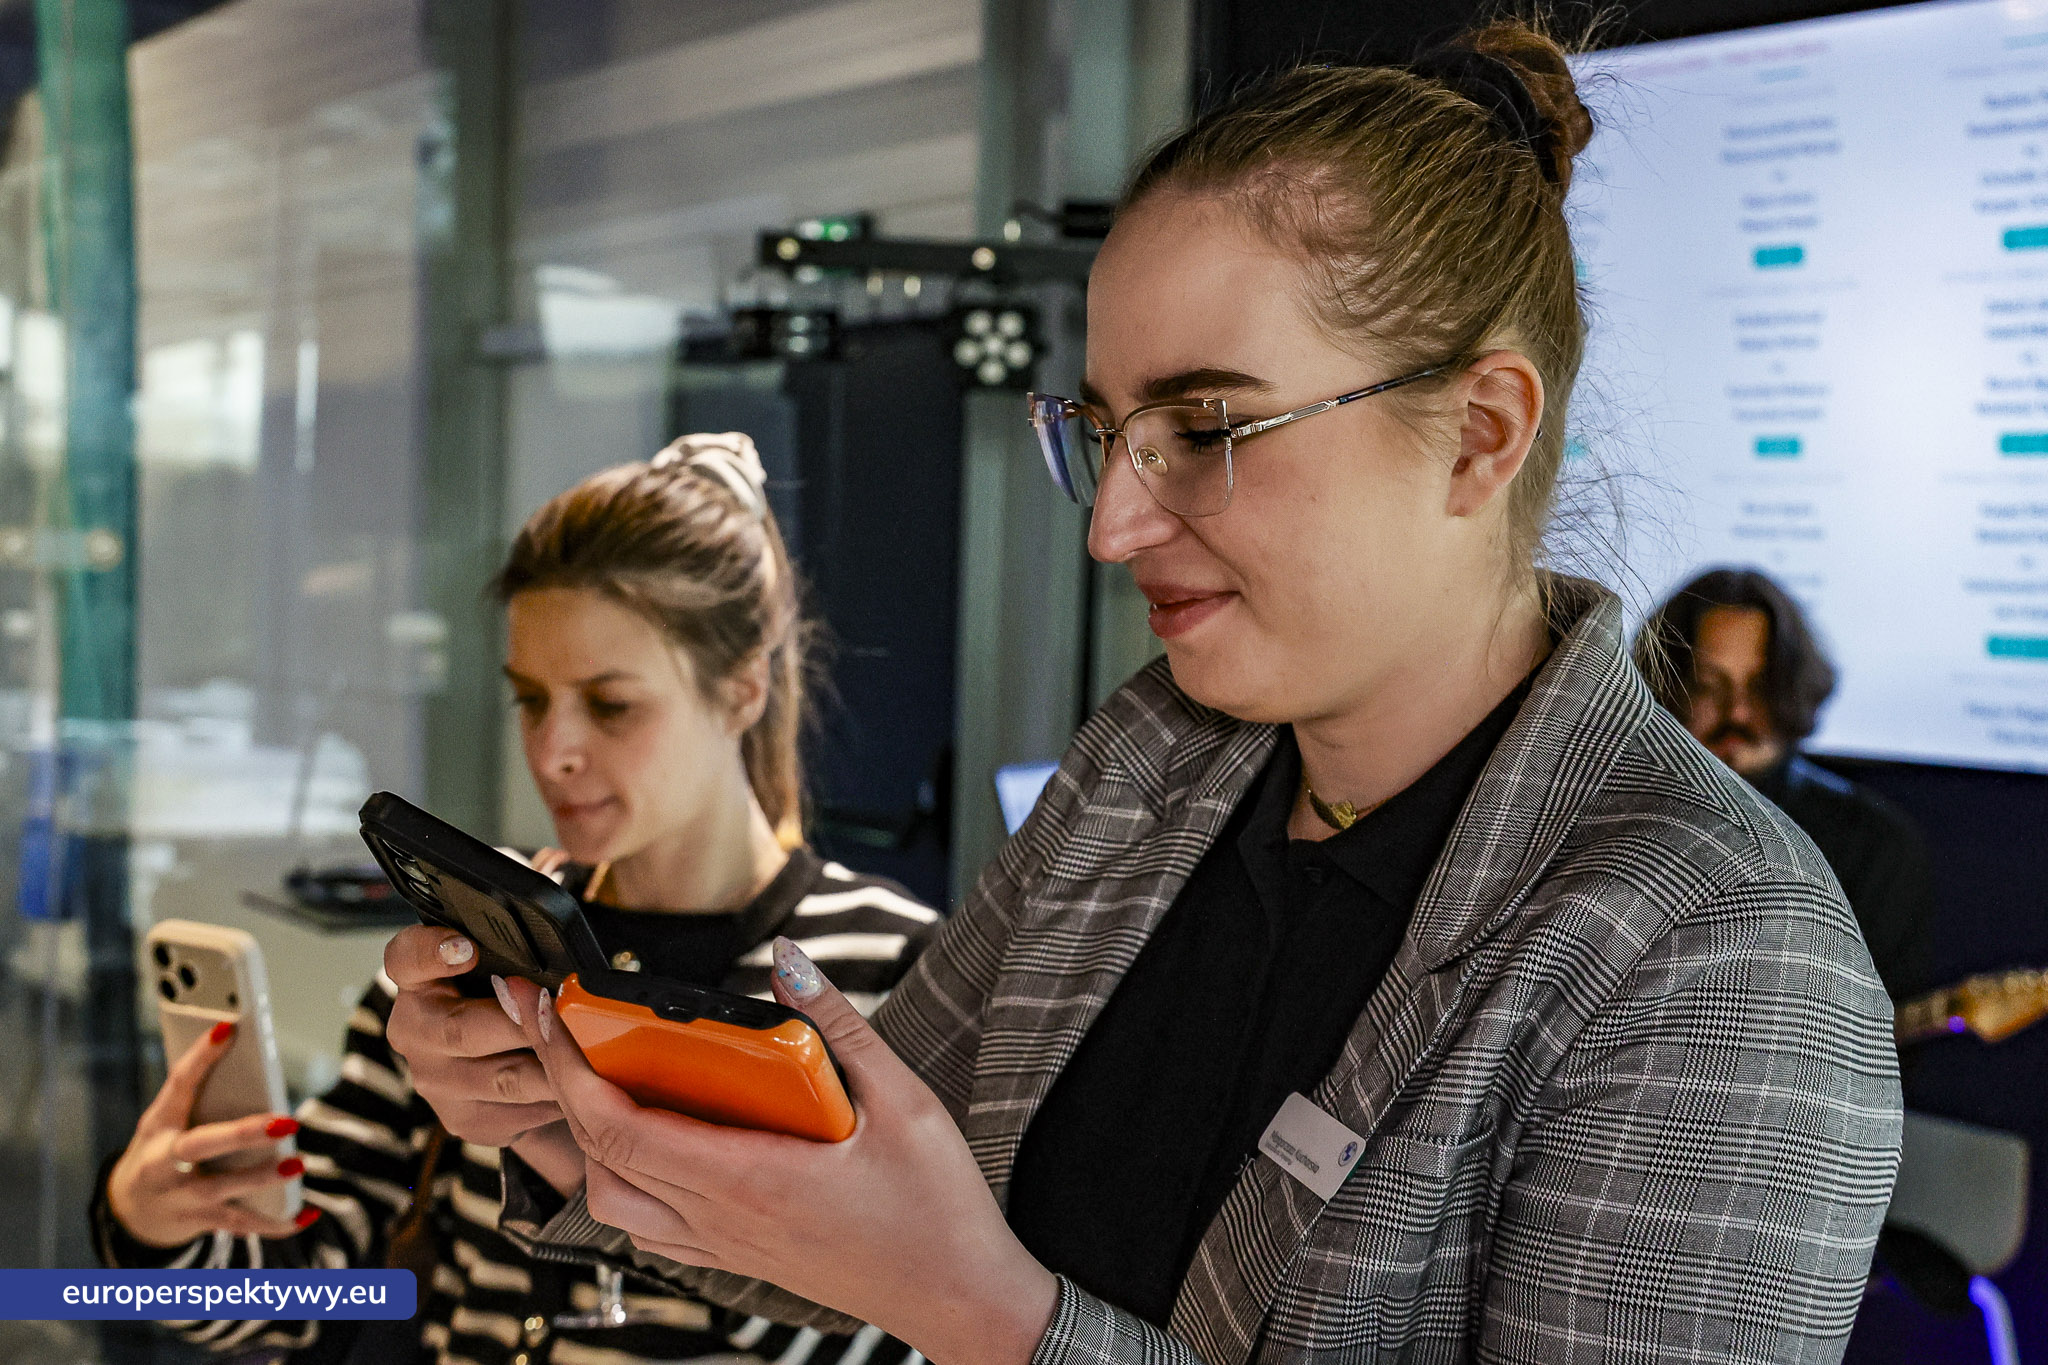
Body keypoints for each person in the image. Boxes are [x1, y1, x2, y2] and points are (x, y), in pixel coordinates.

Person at [428, 25, 1896, 1365]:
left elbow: (939, 1280)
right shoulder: (1154, 766)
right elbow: (846, 1218)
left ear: (1479, 434)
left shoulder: (1718, 955)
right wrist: (566, 1118)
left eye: (1204, 426)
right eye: (1107, 430)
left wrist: (984, 1317)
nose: (1112, 525)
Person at [89, 434, 937, 1365]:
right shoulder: (476, 950)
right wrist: (152, 1229)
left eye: (611, 705)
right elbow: (304, 1292)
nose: (553, 751)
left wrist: (574, 1154)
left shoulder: (893, 973)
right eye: (530, 699)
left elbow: (915, 1328)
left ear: (742, 688)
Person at [1635, 566, 1937, 999]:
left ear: (1791, 688)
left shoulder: (1875, 848)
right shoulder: (1622, 822)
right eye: (1708, 686)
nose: (1737, 714)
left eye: (1759, 687)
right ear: (1667, 687)